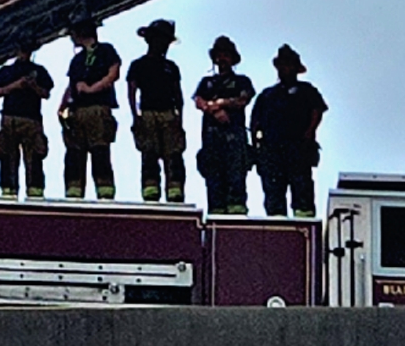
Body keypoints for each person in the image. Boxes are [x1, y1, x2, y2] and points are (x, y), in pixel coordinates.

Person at [251, 43, 329, 218]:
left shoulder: (307, 91)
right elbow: (255, 122)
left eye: (288, 64)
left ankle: (304, 226)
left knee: (302, 192)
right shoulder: (267, 95)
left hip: (298, 149)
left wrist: (309, 132)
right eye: (281, 65)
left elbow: (318, 110)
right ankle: (278, 230)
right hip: (271, 152)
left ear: (295, 67)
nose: (284, 69)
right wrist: (256, 147)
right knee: (274, 196)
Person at [126, 18, 187, 203]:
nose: (164, 45)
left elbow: (179, 95)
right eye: (161, 39)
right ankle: (150, 189)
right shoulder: (138, 65)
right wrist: (136, 117)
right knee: (149, 154)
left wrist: (179, 120)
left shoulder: (171, 67)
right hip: (148, 113)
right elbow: (131, 91)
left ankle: (175, 190)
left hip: (169, 114)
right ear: (150, 39)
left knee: (174, 155)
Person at [59, 19, 121, 198]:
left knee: (100, 150)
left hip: (98, 108)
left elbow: (113, 73)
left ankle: (105, 193)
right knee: (74, 153)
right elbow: (71, 85)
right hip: (77, 111)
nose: (71, 38)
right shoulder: (77, 60)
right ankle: (74, 193)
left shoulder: (106, 50)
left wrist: (92, 89)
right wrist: (62, 107)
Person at [192, 34, 254, 214]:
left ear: (233, 58)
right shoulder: (206, 82)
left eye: (226, 55)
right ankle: (216, 214)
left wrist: (221, 103)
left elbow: (243, 100)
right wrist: (214, 110)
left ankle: (236, 215)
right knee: (213, 180)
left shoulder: (242, 81)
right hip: (211, 140)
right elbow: (198, 101)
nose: (222, 59)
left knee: (236, 177)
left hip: (235, 138)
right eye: (219, 55)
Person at [0, 37, 54, 199]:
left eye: (27, 50)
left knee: (34, 158)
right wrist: (16, 85)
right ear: (16, 51)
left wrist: (33, 86)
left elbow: (46, 93)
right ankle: (8, 193)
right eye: (22, 49)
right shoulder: (6, 71)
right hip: (10, 119)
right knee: (7, 158)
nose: (24, 53)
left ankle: (35, 194)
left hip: (31, 120)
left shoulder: (40, 71)